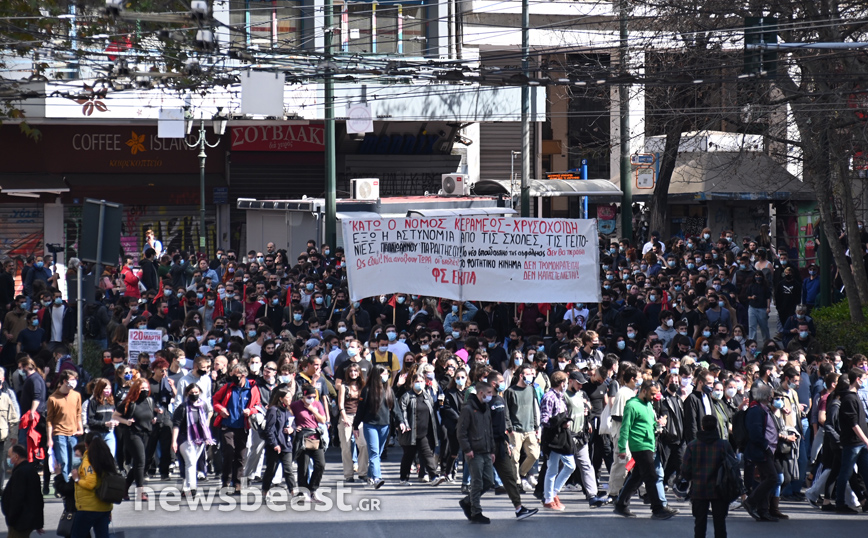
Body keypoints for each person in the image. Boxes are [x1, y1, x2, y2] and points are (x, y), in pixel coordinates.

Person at [612, 380, 678, 520]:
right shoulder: (632, 405)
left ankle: (621, 504)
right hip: (639, 445)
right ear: (643, 390)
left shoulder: (648, 404)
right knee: (651, 476)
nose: (655, 397)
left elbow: (650, 423)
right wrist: (622, 448)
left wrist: (658, 424)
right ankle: (658, 508)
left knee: (637, 476)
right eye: (653, 393)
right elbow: (625, 427)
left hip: (649, 444)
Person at [682, 415, 745, 538]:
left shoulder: (693, 445)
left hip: (699, 489)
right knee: (720, 523)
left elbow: (685, 470)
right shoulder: (724, 445)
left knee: (699, 523)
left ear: (702, 427)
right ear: (716, 426)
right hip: (720, 488)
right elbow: (734, 467)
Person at [212, 363, 261, 494]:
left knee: (240, 455)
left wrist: (250, 411)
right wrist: (221, 409)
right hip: (228, 425)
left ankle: (237, 482)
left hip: (243, 426)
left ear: (243, 375)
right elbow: (215, 400)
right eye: (232, 375)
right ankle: (226, 481)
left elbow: (258, 406)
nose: (233, 378)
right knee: (228, 451)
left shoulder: (252, 388)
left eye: (236, 376)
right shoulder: (228, 387)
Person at [457, 381, 496, 524]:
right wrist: (467, 449)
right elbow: (461, 431)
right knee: (477, 482)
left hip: (485, 450)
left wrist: (492, 450)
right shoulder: (468, 409)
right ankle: (476, 512)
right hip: (474, 451)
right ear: (481, 393)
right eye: (489, 393)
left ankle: (468, 501)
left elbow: (489, 430)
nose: (491, 396)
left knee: (488, 481)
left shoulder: (486, 408)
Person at [396, 372, 444, 485]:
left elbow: (432, 412)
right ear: (412, 383)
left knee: (427, 454)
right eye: (417, 382)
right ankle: (404, 478)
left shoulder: (427, 396)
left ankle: (433, 477)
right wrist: (403, 424)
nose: (419, 384)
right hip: (410, 432)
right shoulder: (406, 396)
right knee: (408, 456)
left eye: (421, 381)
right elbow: (401, 412)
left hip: (424, 432)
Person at [742, 384, 780, 521]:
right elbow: (755, 433)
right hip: (761, 451)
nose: (773, 397)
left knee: (766, 478)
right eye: (771, 395)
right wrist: (765, 447)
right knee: (772, 478)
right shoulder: (755, 410)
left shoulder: (764, 409)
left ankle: (763, 511)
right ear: (767, 396)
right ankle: (751, 502)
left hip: (767, 450)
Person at [540, 371, 576, 511]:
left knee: (570, 465)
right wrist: (560, 423)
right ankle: (549, 498)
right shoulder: (549, 397)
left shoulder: (560, 396)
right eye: (565, 382)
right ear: (561, 383)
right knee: (552, 468)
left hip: (562, 436)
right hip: (552, 438)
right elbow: (545, 419)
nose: (566, 385)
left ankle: (553, 492)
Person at [113, 378, 154, 501]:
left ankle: (124, 488)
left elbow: (149, 415)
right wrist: (126, 421)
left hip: (146, 433)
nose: (145, 391)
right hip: (132, 434)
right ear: (136, 389)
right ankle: (140, 492)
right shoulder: (129, 403)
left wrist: (154, 418)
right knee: (140, 461)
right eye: (142, 389)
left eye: (147, 388)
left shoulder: (149, 401)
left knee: (140, 463)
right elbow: (115, 416)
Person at [353, 365, 394, 489]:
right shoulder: (367, 390)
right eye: (384, 374)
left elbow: (395, 408)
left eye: (387, 374)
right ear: (377, 375)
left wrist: (401, 422)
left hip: (385, 425)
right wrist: (355, 425)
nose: (386, 377)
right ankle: (377, 478)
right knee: (374, 452)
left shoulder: (388, 390)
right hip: (370, 425)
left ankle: (370, 476)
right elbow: (361, 409)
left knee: (377, 453)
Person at [834, 367, 868, 514]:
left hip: (860, 443)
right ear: (858, 379)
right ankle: (840, 503)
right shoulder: (848, 398)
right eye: (864, 378)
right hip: (853, 443)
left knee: (865, 473)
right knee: (845, 473)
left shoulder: (855, 396)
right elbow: (853, 424)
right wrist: (866, 440)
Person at [172, 383, 214, 496]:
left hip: (199, 439)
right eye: (192, 393)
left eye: (196, 392)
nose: (195, 395)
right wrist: (174, 441)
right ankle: (192, 489)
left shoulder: (203, 406)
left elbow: (205, 422)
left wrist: (206, 437)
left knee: (191, 463)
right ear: (187, 393)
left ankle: (185, 489)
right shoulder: (182, 407)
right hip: (185, 438)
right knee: (190, 461)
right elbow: (176, 425)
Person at [70, 434, 115, 538]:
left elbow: (91, 483)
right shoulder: (107, 458)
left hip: (88, 507)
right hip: (104, 506)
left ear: (86, 444)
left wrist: (77, 479)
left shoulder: (89, 460)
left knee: (77, 535)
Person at [290, 384, 327, 502]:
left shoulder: (317, 404)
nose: (312, 398)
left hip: (315, 436)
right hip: (303, 437)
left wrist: (313, 410)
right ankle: (303, 490)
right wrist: (295, 426)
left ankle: (313, 489)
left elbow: (323, 420)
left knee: (320, 464)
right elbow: (289, 417)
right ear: (303, 396)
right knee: (303, 467)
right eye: (309, 396)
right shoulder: (296, 405)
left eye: (314, 396)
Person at [46, 370, 83, 482]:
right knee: (64, 461)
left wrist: (80, 428)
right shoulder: (53, 398)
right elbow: (49, 420)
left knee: (73, 462)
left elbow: (78, 414)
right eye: (72, 380)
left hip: (73, 433)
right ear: (64, 381)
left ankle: (70, 484)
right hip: (59, 434)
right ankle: (65, 485)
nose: (74, 382)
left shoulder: (76, 395)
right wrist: (49, 439)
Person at [1, 443, 44, 537]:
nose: (9, 459)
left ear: (16, 456)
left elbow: (17, 498)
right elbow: (38, 498)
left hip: (19, 521)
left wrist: (11, 517)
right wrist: (38, 522)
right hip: (26, 520)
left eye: (9, 456)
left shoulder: (20, 473)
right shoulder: (30, 470)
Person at [261, 386, 296, 499]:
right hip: (275, 446)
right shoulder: (273, 410)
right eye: (288, 397)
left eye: (291, 397)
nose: (290, 399)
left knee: (288, 470)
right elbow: (269, 429)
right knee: (271, 470)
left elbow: (293, 425)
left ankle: (293, 492)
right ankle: (265, 491)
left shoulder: (289, 411)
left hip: (286, 444)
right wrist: (274, 444)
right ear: (281, 398)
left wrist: (292, 430)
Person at [337, 362, 368, 482]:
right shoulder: (343, 387)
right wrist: (344, 417)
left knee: (363, 445)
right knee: (346, 446)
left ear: (359, 372)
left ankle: (363, 472)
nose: (353, 373)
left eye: (355, 371)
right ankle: (348, 474)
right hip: (347, 416)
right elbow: (340, 404)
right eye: (351, 371)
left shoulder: (363, 387)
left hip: (359, 418)